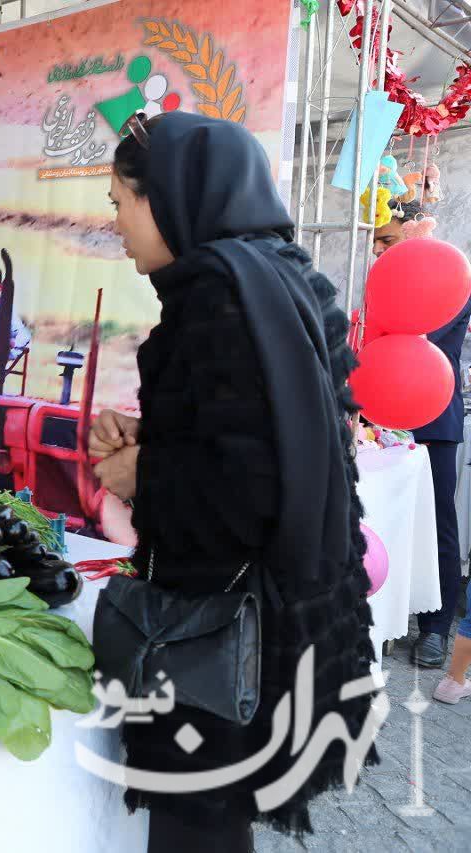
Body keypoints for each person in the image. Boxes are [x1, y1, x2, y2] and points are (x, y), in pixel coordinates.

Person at [91, 112, 377, 848]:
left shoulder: (218, 293)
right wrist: (154, 439)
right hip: (291, 610)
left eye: (121, 200)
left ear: (172, 196)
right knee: (217, 823)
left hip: (223, 630)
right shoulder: (282, 275)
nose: (115, 220)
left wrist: (139, 472)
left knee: (195, 824)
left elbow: (245, 488)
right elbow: (273, 434)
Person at [371, 202, 471, 670]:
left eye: (388, 241)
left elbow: (423, 335)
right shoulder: (379, 281)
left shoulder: (447, 282)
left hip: (432, 417)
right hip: (379, 417)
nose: (377, 250)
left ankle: (434, 628)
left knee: (439, 526)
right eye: (376, 242)